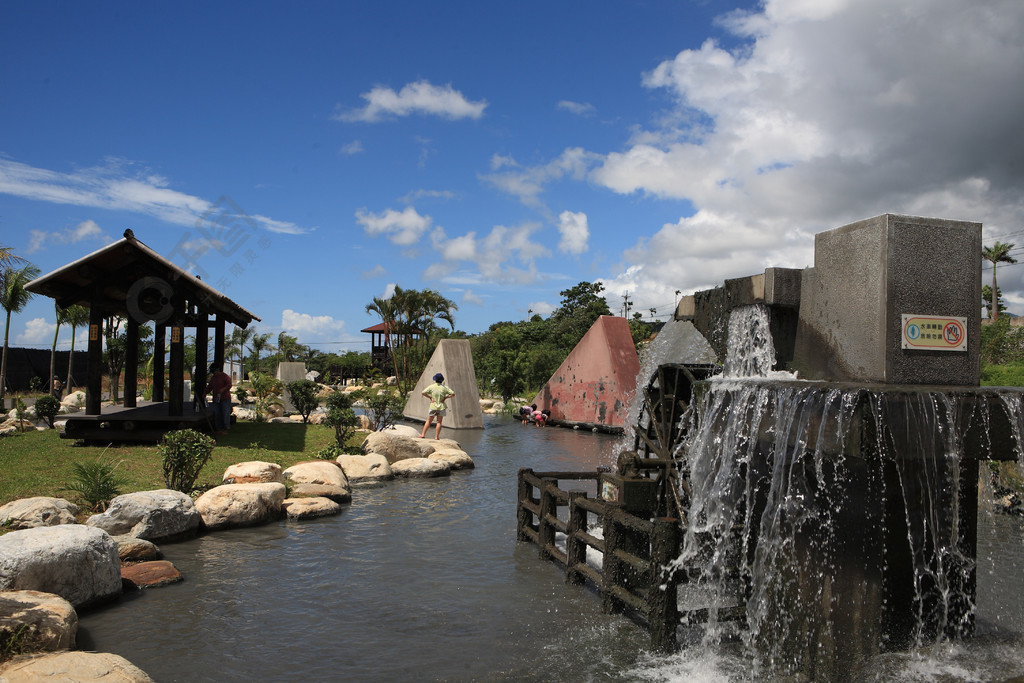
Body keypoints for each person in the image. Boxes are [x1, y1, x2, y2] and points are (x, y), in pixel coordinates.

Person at [419, 372, 455, 439]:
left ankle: (423, 434)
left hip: (433, 406)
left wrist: (430, 397)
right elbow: (453, 394)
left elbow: (423, 392)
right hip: (441, 406)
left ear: (435, 380)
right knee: (439, 422)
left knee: (429, 421)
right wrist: (446, 397)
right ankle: (436, 437)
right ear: (442, 380)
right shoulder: (445, 388)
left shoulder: (432, 387)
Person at [205, 363, 233, 435]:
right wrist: (205, 393)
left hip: (225, 398)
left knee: (225, 413)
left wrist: (223, 389)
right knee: (217, 414)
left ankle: (225, 429)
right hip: (216, 399)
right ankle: (219, 429)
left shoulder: (224, 376)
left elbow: (229, 384)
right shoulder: (213, 378)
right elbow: (210, 387)